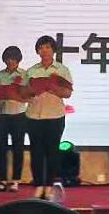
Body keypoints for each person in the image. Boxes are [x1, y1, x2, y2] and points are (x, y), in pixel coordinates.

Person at [21, 35, 73, 199]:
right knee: (36, 152)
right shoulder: (31, 71)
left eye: (48, 47)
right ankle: (38, 185)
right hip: (33, 115)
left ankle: (49, 186)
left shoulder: (62, 70)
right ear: (37, 51)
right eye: (41, 47)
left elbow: (67, 93)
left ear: (53, 50)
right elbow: (22, 93)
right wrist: (32, 89)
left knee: (52, 153)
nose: (44, 50)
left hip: (55, 115)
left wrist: (52, 87)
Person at [0, 46, 27, 192]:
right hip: (1, 114)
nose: (10, 61)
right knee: (1, 148)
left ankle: (16, 181)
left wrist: (15, 94)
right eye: (8, 59)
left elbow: (28, 96)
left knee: (18, 148)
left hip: (19, 115)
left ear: (18, 60)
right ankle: (2, 180)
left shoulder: (24, 75)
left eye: (13, 59)